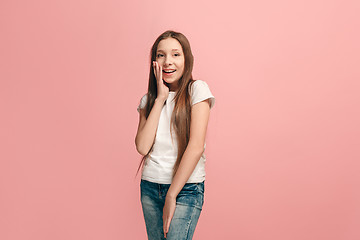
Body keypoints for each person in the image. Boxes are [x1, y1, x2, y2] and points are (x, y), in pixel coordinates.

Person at [135, 30, 215, 240]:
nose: (168, 61)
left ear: (187, 59)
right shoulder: (148, 101)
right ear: (154, 62)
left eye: (175, 54)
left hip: (186, 189)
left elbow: (196, 146)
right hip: (150, 187)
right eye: (161, 55)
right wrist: (160, 98)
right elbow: (142, 146)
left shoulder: (197, 90)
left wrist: (172, 194)